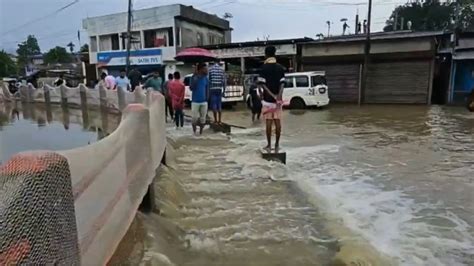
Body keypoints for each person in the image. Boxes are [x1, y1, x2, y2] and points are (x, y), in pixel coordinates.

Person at [259, 45, 285, 151]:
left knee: (268, 122)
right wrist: (278, 96)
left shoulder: (263, 68)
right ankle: (277, 145)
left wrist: (271, 94)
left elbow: (263, 85)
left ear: (266, 54)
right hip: (278, 101)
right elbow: (282, 84)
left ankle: (269, 145)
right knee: (278, 122)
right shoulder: (280, 68)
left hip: (267, 101)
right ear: (275, 54)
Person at [190, 62, 209, 135]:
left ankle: (201, 133)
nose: (207, 70)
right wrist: (195, 78)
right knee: (194, 118)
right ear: (201, 69)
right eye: (205, 69)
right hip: (195, 101)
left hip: (204, 101)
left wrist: (207, 98)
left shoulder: (206, 79)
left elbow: (207, 88)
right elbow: (191, 88)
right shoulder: (193, 77)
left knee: (203, 119)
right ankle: (194, 133)